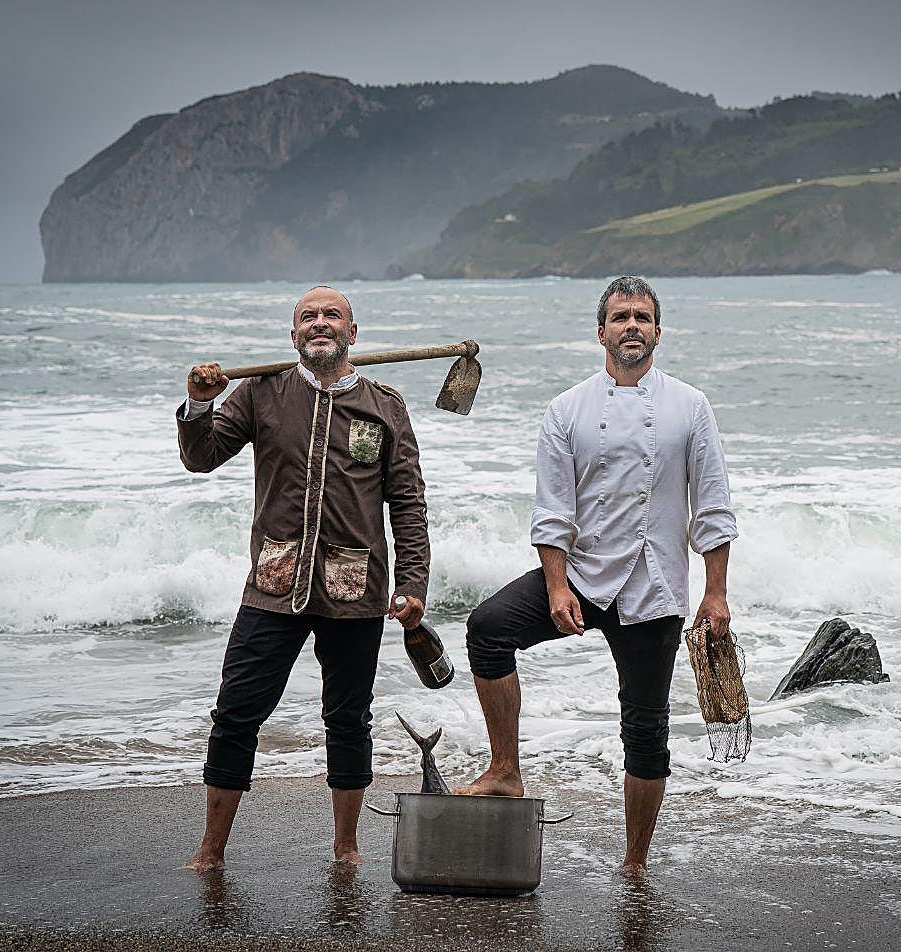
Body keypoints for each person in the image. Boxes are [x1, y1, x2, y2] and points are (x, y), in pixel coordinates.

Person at [457, 276, 738, 877]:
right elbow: (553, 508)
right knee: (488, 629)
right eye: (619, 317)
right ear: (601, 331)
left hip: (655, 587)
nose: (631, 326)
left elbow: (711, 506)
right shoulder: (568, 408)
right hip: (581, 575)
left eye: (641, 316)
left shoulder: (691, 406)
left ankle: (635, 861)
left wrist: (715, 593)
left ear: (658, 331)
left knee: (645, 727)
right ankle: (505, 767)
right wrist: (556, 586)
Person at [177, 285, 430, 871]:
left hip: (356, 591)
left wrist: (413, 583)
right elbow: (201, 457)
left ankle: (346, 848)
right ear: (293, 335)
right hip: (274, 586)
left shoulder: (385, 407)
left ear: (352, 332)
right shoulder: (263, 393)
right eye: (308, 317)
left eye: (331, 316)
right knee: (236, 713)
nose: (320, 324)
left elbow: (408, 505)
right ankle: (211, 849)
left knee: (347, 719)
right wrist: (198, 407)